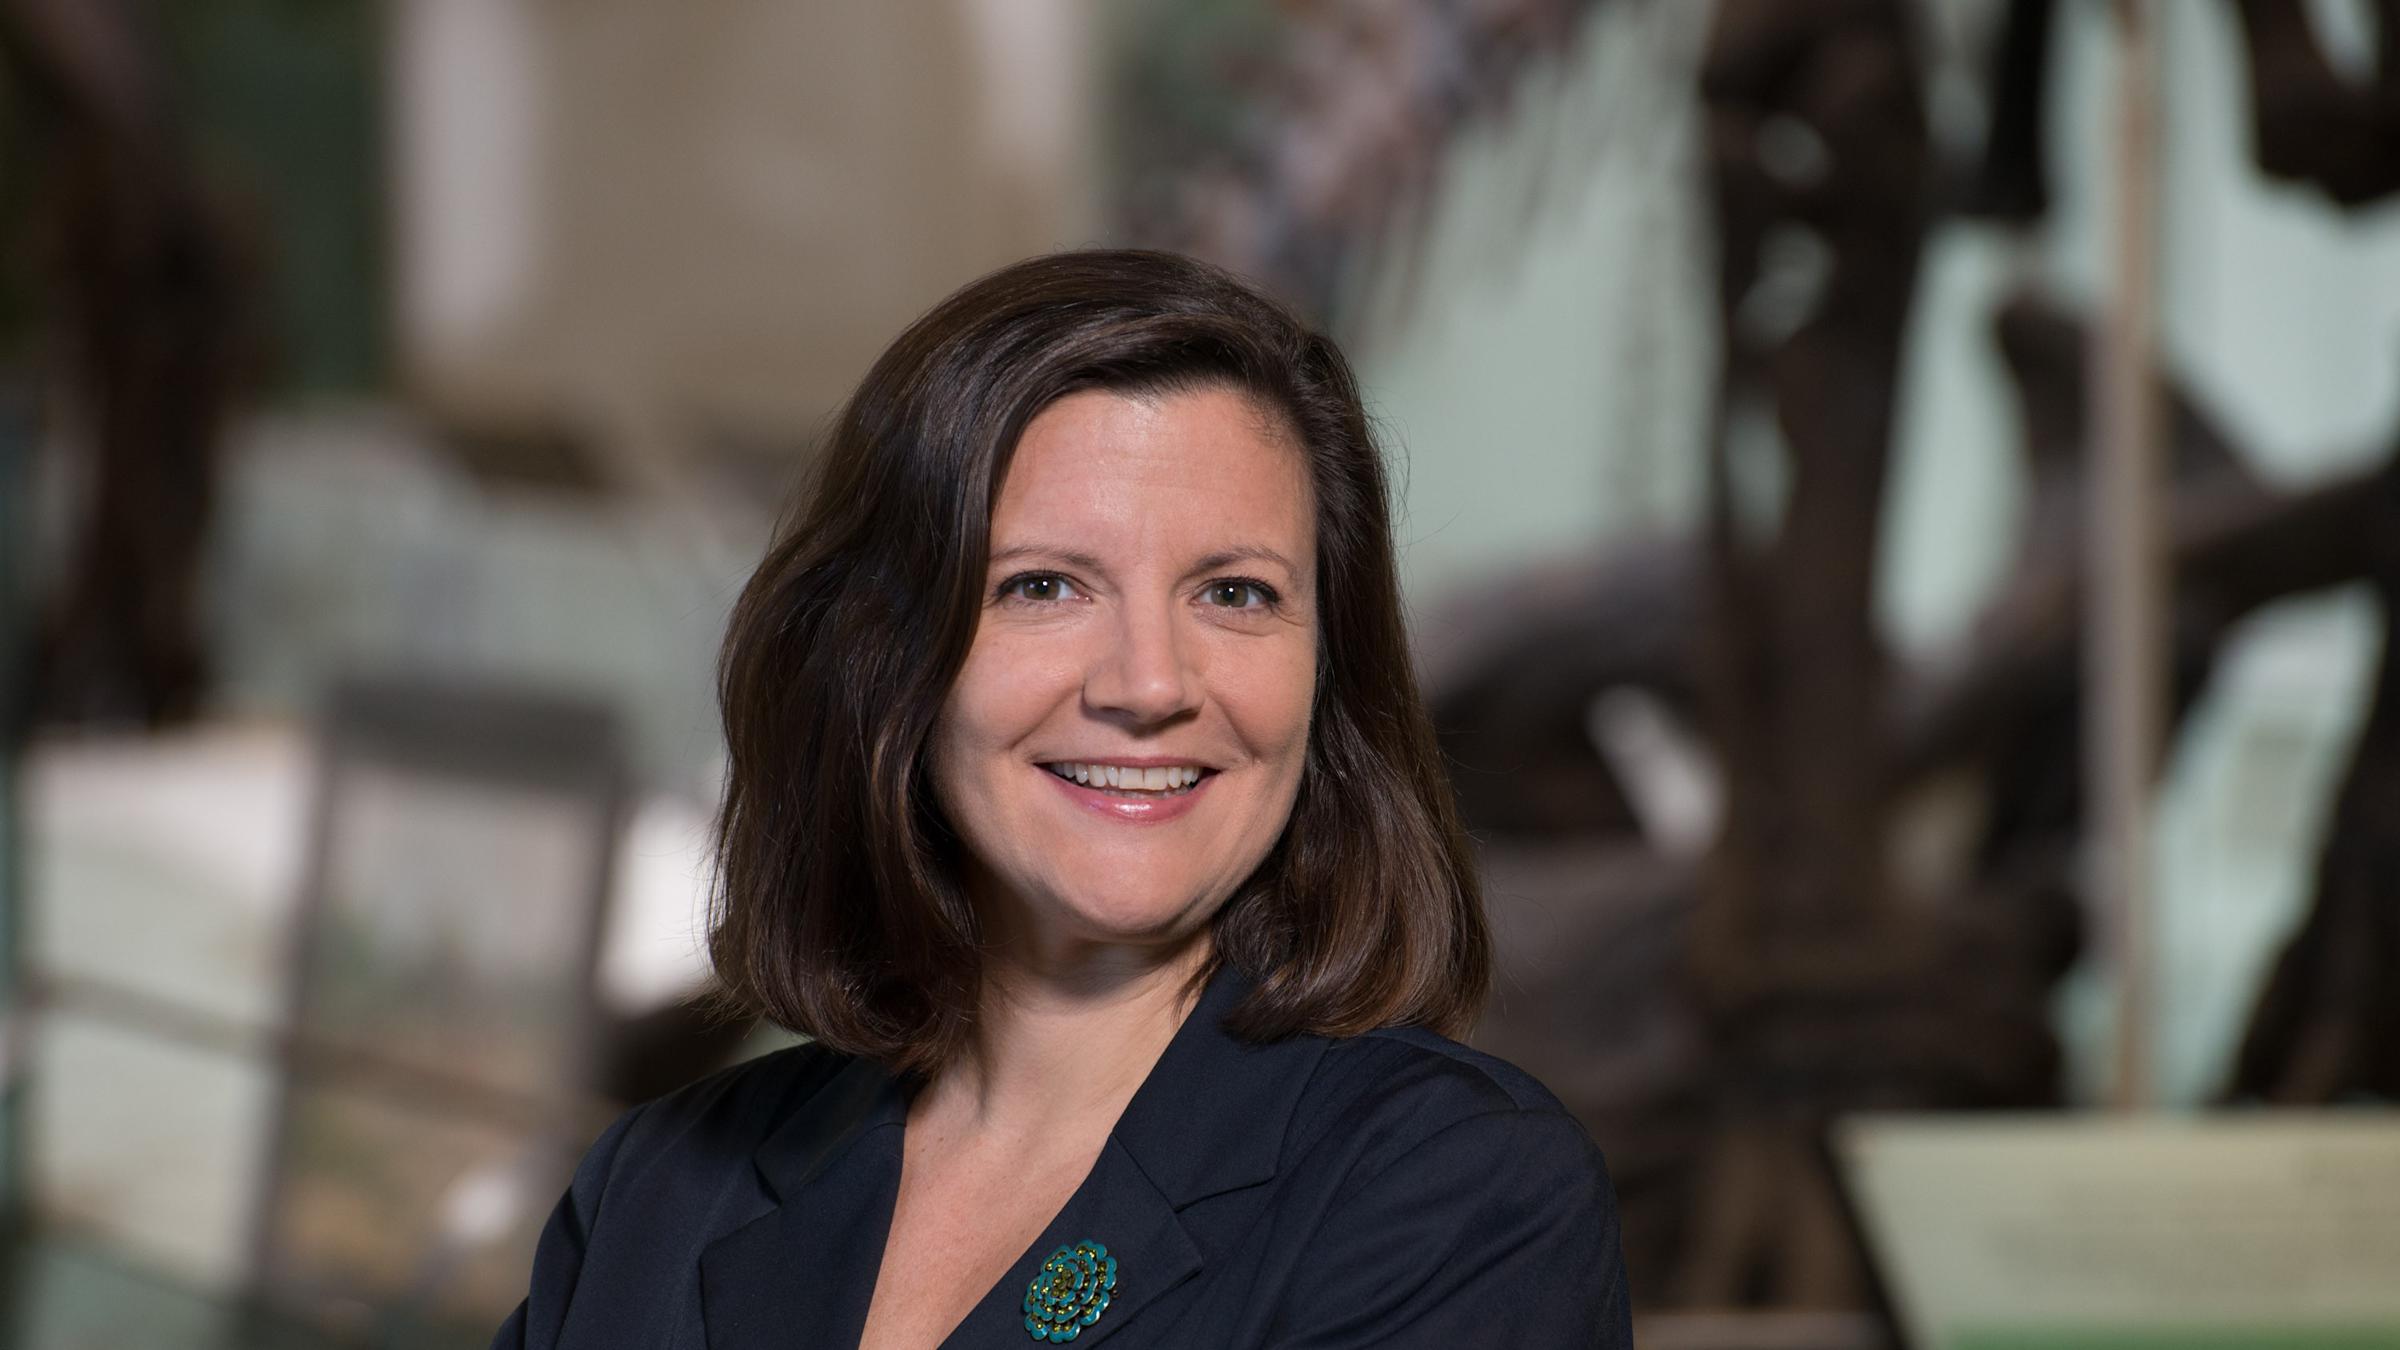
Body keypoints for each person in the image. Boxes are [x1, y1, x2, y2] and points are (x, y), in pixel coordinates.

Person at [490, 249, 1634, 1348]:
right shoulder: (656, 1194)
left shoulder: (1455, 1195)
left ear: (1328, 672)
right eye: (1042, 586)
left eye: (1234, 594)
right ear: (886, 660)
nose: (1149, 685)